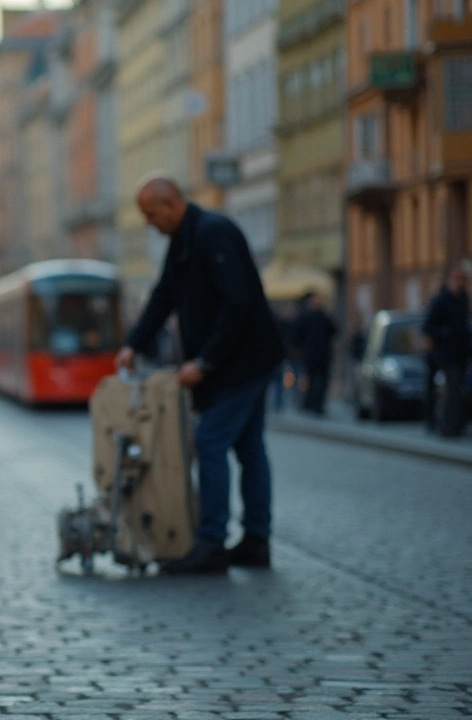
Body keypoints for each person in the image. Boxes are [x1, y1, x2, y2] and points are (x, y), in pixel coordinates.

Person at [115, 175, 285, 574]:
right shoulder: (184, 241)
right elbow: (163, 297)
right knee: (249, 449)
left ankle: (211, 542)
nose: (148, 223)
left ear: (172, 205)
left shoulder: (213, 234)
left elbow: (236, 304)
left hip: (242, 363)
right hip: (239, 362)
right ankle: (256, 541)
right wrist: (133, 344)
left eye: (151, 214)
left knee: (209, 443)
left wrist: (204, 362)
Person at [422, 267, 471, 437]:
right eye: (458, 279)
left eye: (464, 279)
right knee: (451, 389)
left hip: (461, 354)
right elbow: (428, 328)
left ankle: (457, 425)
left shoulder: (463, 299)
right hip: (444, 354)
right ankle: (446, 427)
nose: (461, 283)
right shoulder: (441, 301)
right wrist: (445, 334)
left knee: (458, 390)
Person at [292, 292, 337, 416]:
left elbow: (333, 332)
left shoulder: (322, 317)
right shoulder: (307, 317)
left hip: (319, 355)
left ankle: (315, 405)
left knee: (318, 381)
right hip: (312, 354)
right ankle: (310, 404)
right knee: (311, 380)